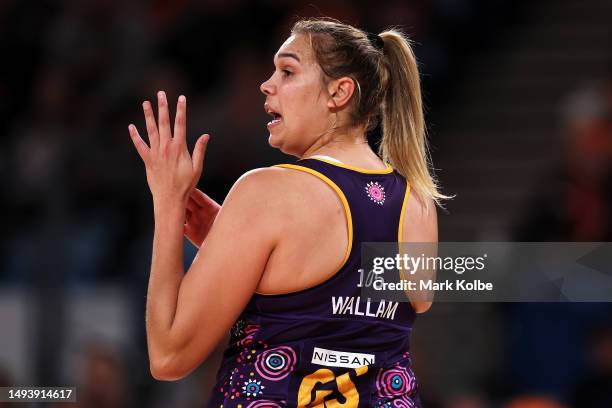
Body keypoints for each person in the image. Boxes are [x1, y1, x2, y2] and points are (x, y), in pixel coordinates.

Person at [128, 17, 444, 407]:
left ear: (339, 92)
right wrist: (233, 243)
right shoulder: (418, 203)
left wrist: (167, 207)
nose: (267, 84)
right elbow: (348, 305)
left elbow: (169, 356)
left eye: (288, 70)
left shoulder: (266, 192)